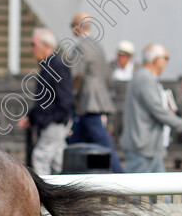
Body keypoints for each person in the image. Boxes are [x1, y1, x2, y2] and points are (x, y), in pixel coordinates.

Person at [122, 44, 182, 173]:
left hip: (149, 147)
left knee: (159, 190)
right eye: (166, 58)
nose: (166, 62)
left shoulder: (145, 77)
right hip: (143, 147)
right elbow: (159, 111)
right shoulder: (145, 78)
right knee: (136, 190)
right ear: (157, 59)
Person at [67, 13, 124, 173]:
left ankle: (121, 174)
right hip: (99, 97)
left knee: (102, 140)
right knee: (77, 140)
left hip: (88, 99)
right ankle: (66, 175)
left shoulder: (80, 47)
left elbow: (76, 74)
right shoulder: (97, 45)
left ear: (78, 26)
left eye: (72, 26)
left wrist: (73, 92)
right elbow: (106, 74)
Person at [17, 29, 75, 175]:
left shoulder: (57, 65)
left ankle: (43, 196)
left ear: (46, 45)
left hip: (55, 123)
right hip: (53, 121)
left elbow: (65, 98)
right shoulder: (49, 65)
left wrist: (53, 119)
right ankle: (63, 195)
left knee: (41, 157)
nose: (31, 49)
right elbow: (44, 99)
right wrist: (31, 116)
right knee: (58, 162)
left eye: (33, 44)